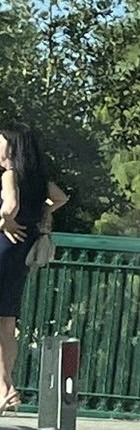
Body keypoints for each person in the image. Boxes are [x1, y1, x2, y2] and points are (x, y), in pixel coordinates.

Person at [0, 124, 68, 412]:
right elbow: (61, 198)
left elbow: (9, 206)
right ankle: (6, 387)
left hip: (2, 245)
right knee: (6, 321)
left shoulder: (10, 174)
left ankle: (5, 388)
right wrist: (40, 212)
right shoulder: (38, 179)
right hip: (19, 254)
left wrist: (5, 220)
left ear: (11, 149)